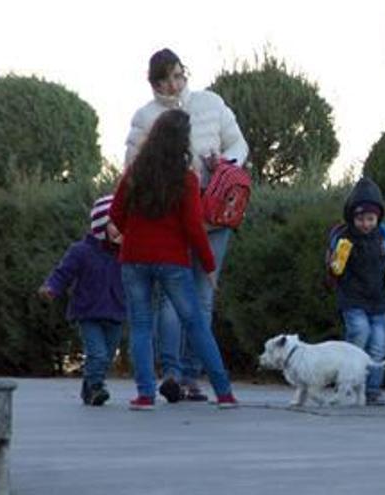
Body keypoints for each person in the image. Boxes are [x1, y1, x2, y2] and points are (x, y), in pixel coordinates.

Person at [125, 47, 249, 403]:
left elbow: (239, 143)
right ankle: (173, 373)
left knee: (203, 295)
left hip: (215, 208)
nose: (174, 85)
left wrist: (224, 163)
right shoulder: (145, 116)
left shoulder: (211, 102)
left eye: (178, 75)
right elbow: (132, 171)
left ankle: (192, 376)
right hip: (172, 214)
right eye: (165, 80)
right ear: (154, 83)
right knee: (173, 298)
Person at [111, 108, 237, 410]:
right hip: (172, 261)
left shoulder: (135, 173)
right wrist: (209, 266)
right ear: (182, 141)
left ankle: (144, 395)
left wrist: (134, 234)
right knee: (194, 323)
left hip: (134, 258)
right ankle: (224, 393)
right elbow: (194, 227)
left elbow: (116, 213)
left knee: (141, 326)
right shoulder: (186, 179)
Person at [38, 195, 125, 406]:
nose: (121, 230)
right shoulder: (81, 251)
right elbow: (63, 273)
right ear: (100, 224)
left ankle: (91, 385)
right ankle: (96, 387)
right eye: (116, 224)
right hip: (89, 312)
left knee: (108, 355)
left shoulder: (125, 254)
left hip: (116, 311)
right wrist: (51, 287)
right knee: (97, 354)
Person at [329, 177, 385, 407]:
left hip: (378, 299)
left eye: (370, 219)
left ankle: (372, 389)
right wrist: (334, 265)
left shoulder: (384, 239)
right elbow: (335, 270)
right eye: (360, 218)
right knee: (359, 334)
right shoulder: (345, 239)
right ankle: (347, 385)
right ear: (352, 217)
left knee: (379, 343)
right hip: (353, 299)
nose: (365, 224)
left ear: (378, 218)